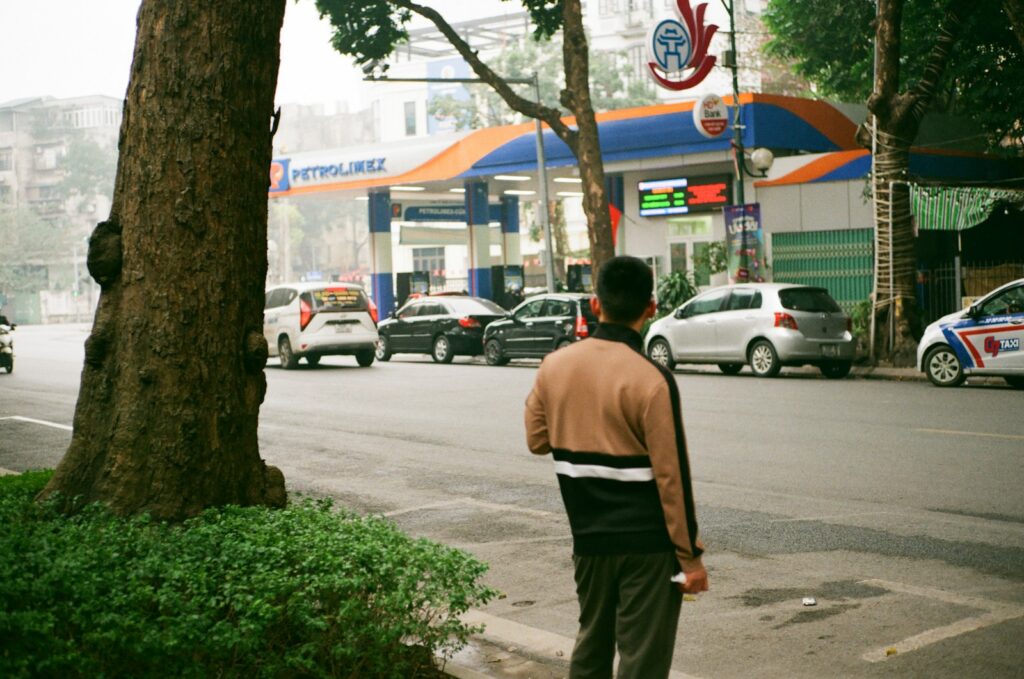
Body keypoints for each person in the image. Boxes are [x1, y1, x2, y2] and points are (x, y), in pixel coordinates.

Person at [524, 255, 708, 679]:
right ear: (651, 307)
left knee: (591, 645)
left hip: (589, 538)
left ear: (595, 305)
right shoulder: (651, 379)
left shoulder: (555, 366)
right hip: (648, 547)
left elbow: (537, 440)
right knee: (642, 659)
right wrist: (690, 558)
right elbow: (671, 477)